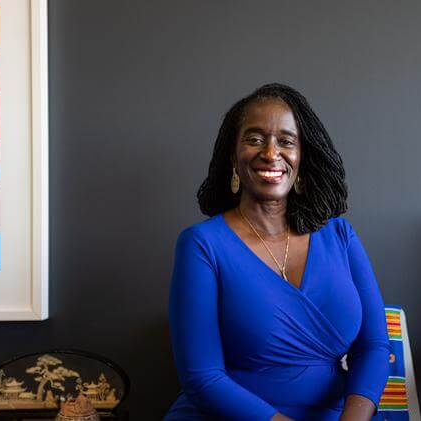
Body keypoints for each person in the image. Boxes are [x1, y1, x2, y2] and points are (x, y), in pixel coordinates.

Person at [166, 83, 390, 420]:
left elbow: (373, 347)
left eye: (286, 141)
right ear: (233, 156)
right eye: (254, 139)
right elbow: (202, 378)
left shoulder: (340, 235)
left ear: (302, 158)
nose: (271, 153)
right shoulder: (202, 245)